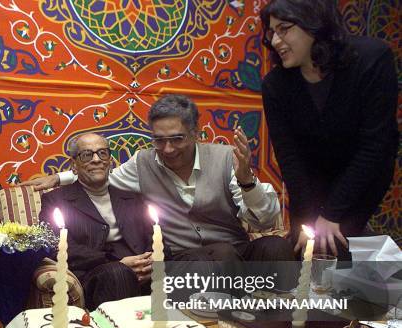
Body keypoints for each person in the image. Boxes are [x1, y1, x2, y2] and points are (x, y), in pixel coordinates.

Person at [24, 94, 294, 269]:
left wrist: (247, 180)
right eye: (159, 140)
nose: (167, 149)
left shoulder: (226, 159)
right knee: (219, 255)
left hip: (235, 249)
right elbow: (103, 174)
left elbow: (266, 222)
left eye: (176, 139)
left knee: (276, 246)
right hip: (184, 259)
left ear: (195, 133)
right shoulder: (143, 163)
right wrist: (59, 177)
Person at [260, 0, 398, 259]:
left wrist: (332, 214)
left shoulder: (371, 58)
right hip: (313, 177)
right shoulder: (275, 85)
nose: (276, 41)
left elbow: (375, 146)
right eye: (271, 32)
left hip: (366, 169)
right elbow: (290, 158)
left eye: (285, 29)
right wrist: (306, 219)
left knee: (340, 244)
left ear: (313, 23)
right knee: (306, 247)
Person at [39, 133, 154, 310]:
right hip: (98, 272)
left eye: (102, 153)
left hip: (144, 269)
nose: (96, 160)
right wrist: (117, 262)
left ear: (110, 161)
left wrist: (150, 261)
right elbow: (57, 246)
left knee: (192, 263)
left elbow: (155, 235)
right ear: (74, 166)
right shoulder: (56, 201)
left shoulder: (132, 197)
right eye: (87, 155)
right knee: (118, 273)